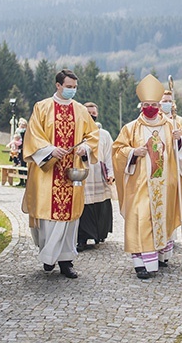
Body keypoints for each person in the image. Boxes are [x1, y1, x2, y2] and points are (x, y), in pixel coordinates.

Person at [112, 75, 182, 279]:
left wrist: (180, 140)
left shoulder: (170, 126)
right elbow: (117, 151)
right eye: (146, 104)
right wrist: (132, 152)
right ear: (141, 105)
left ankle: (154, 257)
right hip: (139, 184)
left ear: (159, 105)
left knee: (159, 218)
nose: (150, 108)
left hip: (164, 184)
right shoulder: (131, 128)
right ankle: (140, 262)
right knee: (141, 219)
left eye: (154, 104)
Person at [21, 69, 99, 278]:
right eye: (68, 87)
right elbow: (33, 136)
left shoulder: (80, 110)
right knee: (49, 219)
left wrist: (86, 149)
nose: (72, 91)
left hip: (72, 173)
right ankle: (48, 256)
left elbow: (92, 135)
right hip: (48, 173)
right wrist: (50, 150)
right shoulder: (42, 107)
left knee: (69, 220)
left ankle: (66, 261)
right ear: (58, 85)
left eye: (74, 87)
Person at [158, 89, 182, 266]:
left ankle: (165, 254)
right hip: (157, 175)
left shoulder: (180, 122)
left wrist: (180, 139)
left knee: (171, 211)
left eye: (169, 101)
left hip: (174, 176)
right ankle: (153, 251)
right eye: (164, 100)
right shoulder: (152, 121)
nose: (167, 103)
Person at [77, 102, 115, 251]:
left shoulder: (104, 134)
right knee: (84, 207)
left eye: (94, 113)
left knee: (101, 205)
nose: (92, 115)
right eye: (88, 112)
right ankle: (82, 238)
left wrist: (111, 173)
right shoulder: (78, 133)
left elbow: (109, 155)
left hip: (99, 175)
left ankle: (100, 234)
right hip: (83, 174)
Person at [16, 118, 28, 186]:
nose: (21, 125)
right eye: (20, 124)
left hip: (24, 149)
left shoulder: (26, 132)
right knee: (19, 163)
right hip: (18, 149)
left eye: (23, 124)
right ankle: (21, 180)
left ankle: (26, 180)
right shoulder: (17, 131)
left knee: (24, 164)